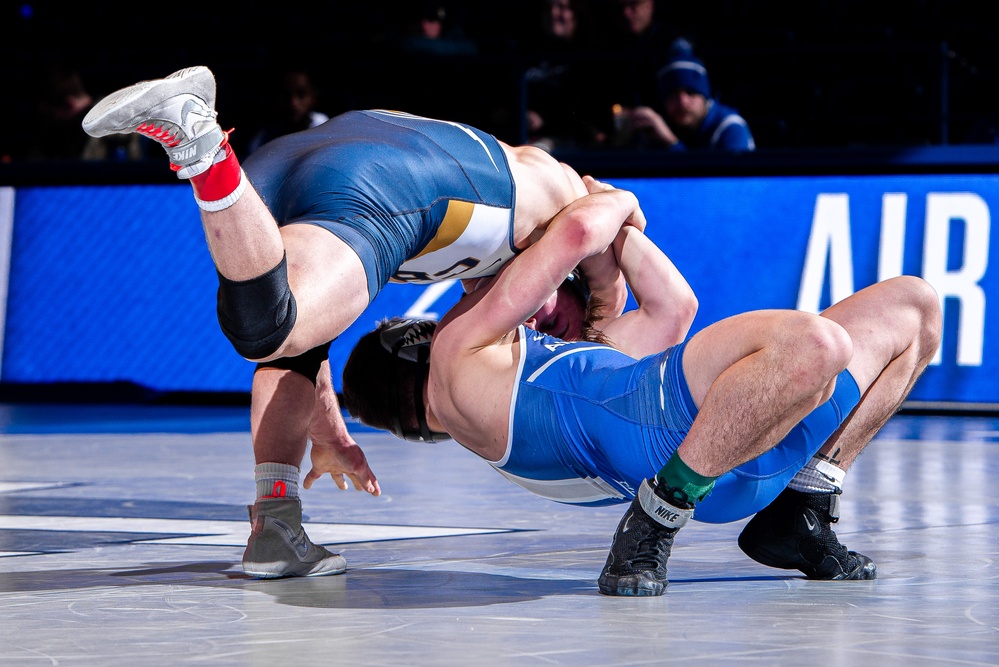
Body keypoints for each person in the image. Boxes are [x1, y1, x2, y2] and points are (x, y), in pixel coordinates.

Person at [81, 66, 615, 579]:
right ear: (576, 281)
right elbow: (607, 228)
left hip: (295, 164)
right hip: (386, 181)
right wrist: (607, 294)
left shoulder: (486, 289)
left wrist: (333, 436)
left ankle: (276, 526)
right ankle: (200, 138)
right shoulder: (559, 201)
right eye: (562, 328)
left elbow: (309, 353)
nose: (537, 332)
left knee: (287, 343)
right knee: (270, 329)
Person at [340, 176, 942, 595]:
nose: (469, 297)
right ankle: (655, 519)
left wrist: (618, 232)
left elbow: (673, 307)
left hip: (714, 452)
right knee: (819, 345)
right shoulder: (456, 358)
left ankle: (803, 509)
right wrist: (616, 201)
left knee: (914, 307)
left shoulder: (515, 393)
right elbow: (575, 233)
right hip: (669, 427)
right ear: (413, 345)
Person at [615, 52, 756, 151]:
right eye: (672, 95)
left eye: (691, 93)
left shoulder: (731, 128)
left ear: (705, 97)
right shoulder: (667, 124)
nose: (682, 102)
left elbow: (719, 189)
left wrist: (670, 142)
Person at [245, 66, 331, 156]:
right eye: (286, 95)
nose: (293, 103)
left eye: (301, 94)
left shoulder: (327, 130)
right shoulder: (262, 142)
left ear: (313, 97)